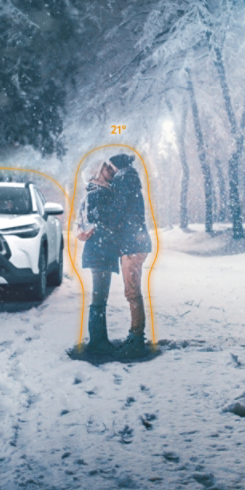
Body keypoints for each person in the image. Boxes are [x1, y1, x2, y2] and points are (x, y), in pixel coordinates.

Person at [109, 153, 151, 356]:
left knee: (132, 293)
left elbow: (118, 212)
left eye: (111, 167)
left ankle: (136, 339)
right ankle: (136, 336)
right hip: (137, 243)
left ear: (117, 167)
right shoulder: (132, 181)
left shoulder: (123, 181)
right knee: (133, 292)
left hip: (132, 246)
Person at [78, 159, 121, 355]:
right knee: (99, 298)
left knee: (100, 297)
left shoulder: (100, 192)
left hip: (102, 250)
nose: (110, 170)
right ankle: (97, 342)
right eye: (106, 167)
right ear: (97, 171)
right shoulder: (97, 194)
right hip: (100, 251)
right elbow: (97, 222)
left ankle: (99, 340)